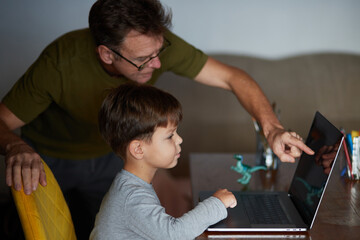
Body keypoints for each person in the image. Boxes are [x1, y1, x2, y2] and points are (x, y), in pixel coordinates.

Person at [0, 0, 314, 238]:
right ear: (107, 54)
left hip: (114, 153)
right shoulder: (58, 63)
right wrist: (17, 147)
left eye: (159, 50)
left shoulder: (153, 46)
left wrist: (272, 129)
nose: (159, 63)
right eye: (143, 59)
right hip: (52, 157)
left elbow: (232, 77)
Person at [90, 82, 237, 239]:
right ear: (138, 149)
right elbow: (173, 233)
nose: (179, 140)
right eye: (170, 136)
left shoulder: (132, 185)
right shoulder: (132, 197)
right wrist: (217, 204)